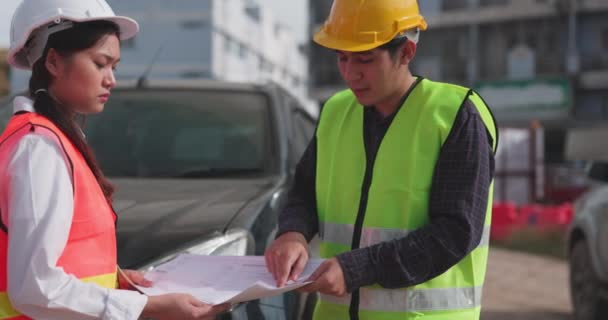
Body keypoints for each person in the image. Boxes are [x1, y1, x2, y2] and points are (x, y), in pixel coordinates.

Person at [264, 0, 498, 319]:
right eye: (342, 58)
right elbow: (304, 192)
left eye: (364, 60)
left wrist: (357, 268)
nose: (350, 73)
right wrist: (293, 233)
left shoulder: (455, 116)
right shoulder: (335, 113)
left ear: (406, 53)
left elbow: (455, 232)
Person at [0, 0, 229, 319]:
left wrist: (115, 280)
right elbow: (35, 287)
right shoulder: (40, 148)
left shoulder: (54, 140)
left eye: (114, 67)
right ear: (53, 61)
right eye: (100, 63)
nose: (111, 79)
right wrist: (148, 307)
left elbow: (65, 260)